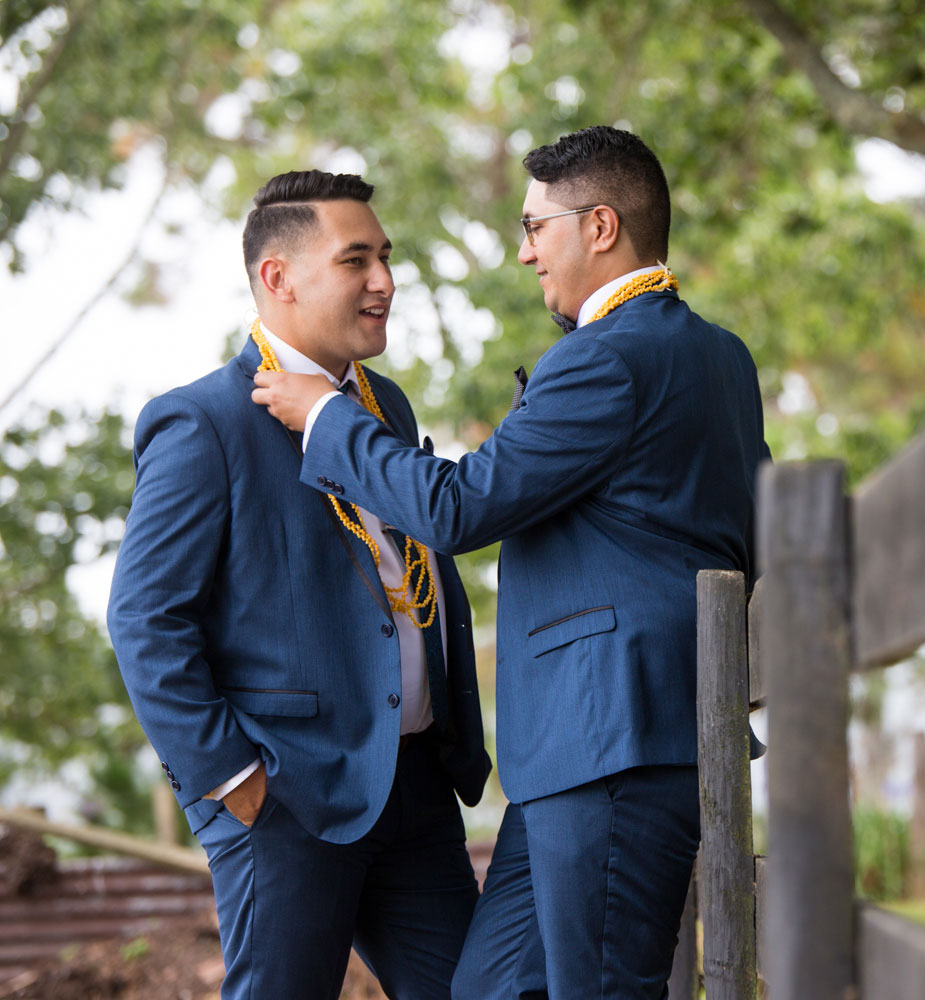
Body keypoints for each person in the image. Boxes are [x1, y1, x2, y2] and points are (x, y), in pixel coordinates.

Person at [252, 126, 770, 998]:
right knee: (488, 989)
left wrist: (329, 419)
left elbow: (461, 507)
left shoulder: (603, 357)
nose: (525, 251)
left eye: (537, 227)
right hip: (584, 751)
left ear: (599, 227)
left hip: (610, 736)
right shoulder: (721, 355)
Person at [106, 169, 492, 1000]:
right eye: (357, 260)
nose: (385, 281)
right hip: (286, 797)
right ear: (277, 278)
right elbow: (143, 619)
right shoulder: (201, 422)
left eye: (386, 257)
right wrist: (234, 781)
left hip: (416, 787)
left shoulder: (383, 402)